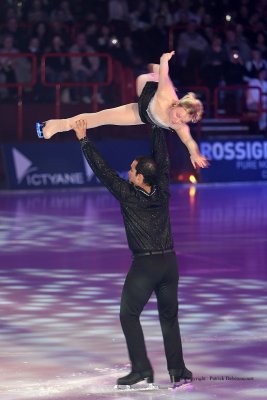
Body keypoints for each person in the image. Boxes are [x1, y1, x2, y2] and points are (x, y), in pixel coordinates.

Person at [72, 118, 199, 387]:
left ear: (140, 177)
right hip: (169, 263)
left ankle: (142, 369)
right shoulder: (162, 189)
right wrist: (155, 124)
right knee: (169, 318)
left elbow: (104, 172)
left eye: (132, 170)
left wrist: (84, 141)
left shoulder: (128, 195)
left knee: (128, 315)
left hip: (145, 266)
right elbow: (162, 159)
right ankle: (178, 371)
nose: (128, 173)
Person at [36, 51, 208, 169]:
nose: (177, 121)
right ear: (176, 105)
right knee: (159, 78)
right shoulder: (166, 94)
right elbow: (165, 72)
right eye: (178, 116)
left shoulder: (179, 125)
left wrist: (195, 153)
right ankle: (153, 70)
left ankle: (53, 125)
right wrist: (163, 61)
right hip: (147, 88)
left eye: (182, 120)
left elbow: (189, 141)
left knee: (100, 119)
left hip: (142, 114)